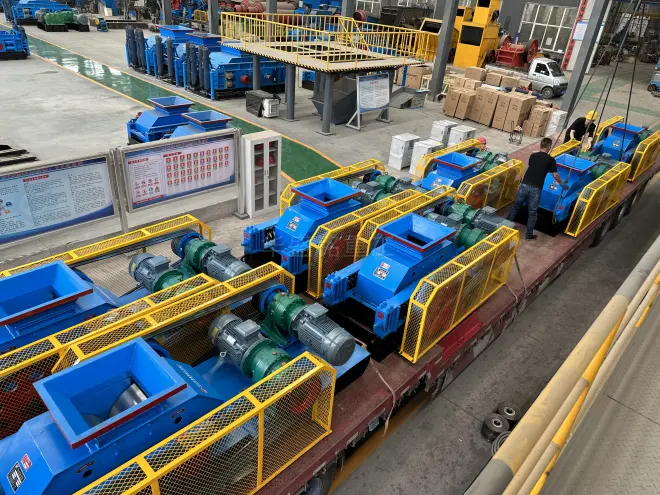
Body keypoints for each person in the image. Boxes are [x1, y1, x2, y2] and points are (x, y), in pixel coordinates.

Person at [508, 138, 567, 240]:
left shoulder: (533, 156)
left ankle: (505, 227)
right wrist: (562, 184)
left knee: (515, 207)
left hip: (524, 185)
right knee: (532, 213)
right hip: (535, 189)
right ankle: (528, 235)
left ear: (541, 145)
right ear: (549, 146)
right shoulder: (551, 160)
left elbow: (533, 167)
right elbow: (555, 175)